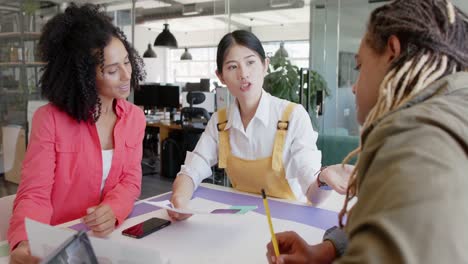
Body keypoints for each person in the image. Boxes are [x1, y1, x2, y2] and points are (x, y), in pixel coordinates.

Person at [266, 0, 468, 263]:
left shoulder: (420, 140)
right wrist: (329, 249)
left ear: (392, 52)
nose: (353, 87)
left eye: (359, 67)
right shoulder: (453, 112)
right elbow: (398, 216)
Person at [8, 3, 146, 263]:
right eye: (112, 70)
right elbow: (34, 193)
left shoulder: (135, 117)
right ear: (83, 76)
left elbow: (130, 181)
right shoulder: (49, 120)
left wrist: (113, 210)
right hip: (61, 243)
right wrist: (26, 242)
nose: (127, 75)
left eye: (127, 61)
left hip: (112, 242)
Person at [170, 30, 353, 220]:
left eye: (250, 62)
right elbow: (192, 170)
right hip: (243, 220)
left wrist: (323, 179)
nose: (243, 74)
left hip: (290, 222)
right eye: (232, 67)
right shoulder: (219, 122)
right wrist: (179, 199)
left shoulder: (293, 116)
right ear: (221, 76)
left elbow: (313, 194)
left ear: (265, 65)